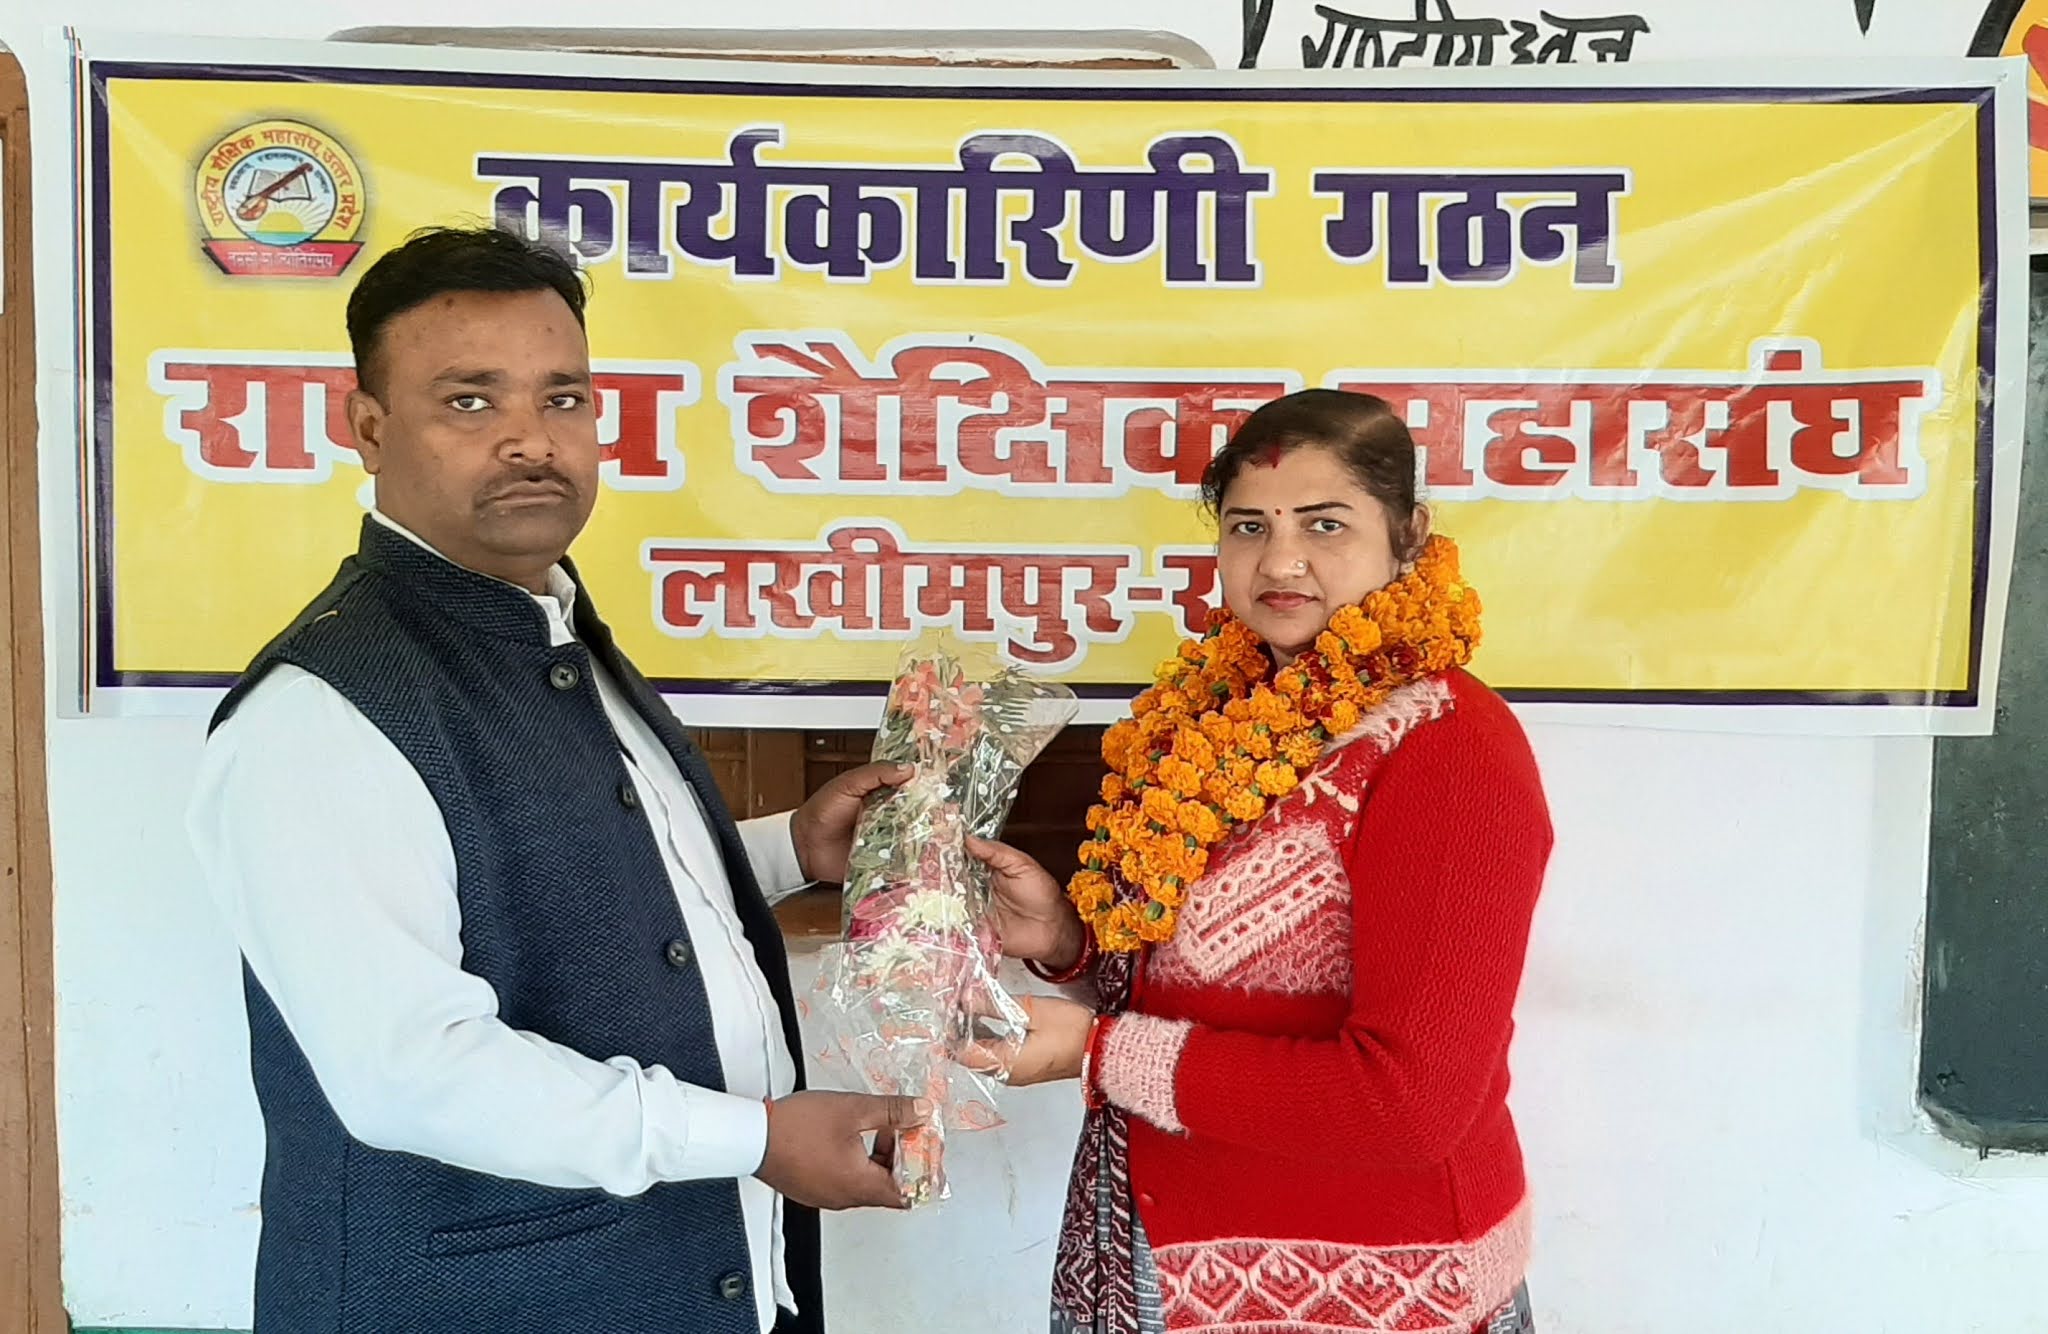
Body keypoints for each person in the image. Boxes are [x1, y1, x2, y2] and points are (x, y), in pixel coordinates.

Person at [185, 224, 925, 1334]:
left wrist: (786, 850)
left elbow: (561, 880)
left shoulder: (551, 629)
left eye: (563, 398)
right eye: (469, 401)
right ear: (368, 427)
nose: (531, 440)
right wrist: (756, 1137)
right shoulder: (324, 711)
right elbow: (413, 1070)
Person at [963, 389, 1554, 1333]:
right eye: (1249, 527)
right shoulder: (1219, 713)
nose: (1280, 561)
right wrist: (1070, 943)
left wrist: (1096, 1052)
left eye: (1326, 524)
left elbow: (1409, 1105)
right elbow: (1202, 976)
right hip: (1146, 1249)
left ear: (1409, 534)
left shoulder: (1446, 750)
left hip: (1365, 1289)